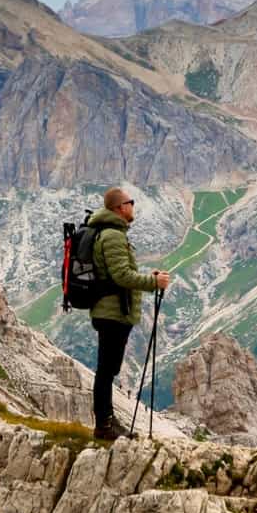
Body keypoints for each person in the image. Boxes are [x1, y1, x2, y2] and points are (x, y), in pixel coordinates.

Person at [85, 185, 172, 441]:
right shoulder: (112, 236)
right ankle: (103, 426)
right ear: (119, 208)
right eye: (130, 202)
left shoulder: (113, 233)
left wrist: (149, 277)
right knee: (105, 370)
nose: (134, 205)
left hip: (113, 312)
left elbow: (118, 273)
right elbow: (121, 276)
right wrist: (152, 283)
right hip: (112, 314)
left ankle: (108, 422)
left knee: (108, 369)